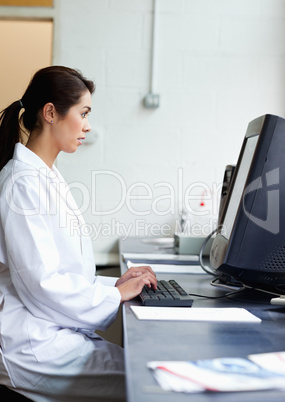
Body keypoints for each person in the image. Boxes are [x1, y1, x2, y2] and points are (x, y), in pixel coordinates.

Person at [0, 66, 157, 401]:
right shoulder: (22, 184)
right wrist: (115, 295)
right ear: (51, 113)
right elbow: (41, 283)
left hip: (49, 328)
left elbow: (62, 272)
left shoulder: (44, 176)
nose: (87, 125)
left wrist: (113, 284)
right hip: (31, 342)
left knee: (146, 369)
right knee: (146, 378)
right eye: (83, 113)